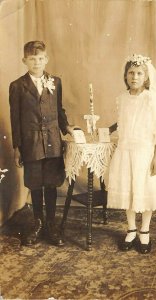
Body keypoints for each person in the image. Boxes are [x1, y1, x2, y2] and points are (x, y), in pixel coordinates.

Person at [9, 41, 76, 247]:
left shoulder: (55, 81)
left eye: (40, 58)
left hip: (52, 142)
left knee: (51, 182)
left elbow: (58, 110)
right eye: (32, 59)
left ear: (46, 59)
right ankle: (37, 223)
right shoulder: (18, 86)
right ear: (24, 61)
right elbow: (16, 119)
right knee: (36, 184)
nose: (36, 62)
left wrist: (67, 128)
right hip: (31, 144)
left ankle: (51, 224)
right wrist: (17, 147)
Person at [108, 54, 156, 254]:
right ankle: (132, 229)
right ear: (125, 76)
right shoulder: (122, 99)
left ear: (146, 77)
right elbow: (123, 122)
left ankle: (145, 230)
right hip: (126, 150)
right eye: (131, 73)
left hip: (145, 151)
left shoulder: (152, 99)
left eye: (139, 73)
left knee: (145, 190)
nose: (135, 77)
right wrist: (106, 130)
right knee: (129, 189)